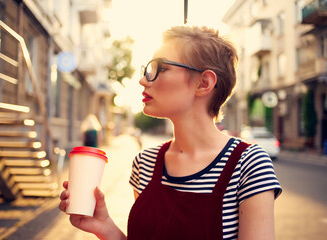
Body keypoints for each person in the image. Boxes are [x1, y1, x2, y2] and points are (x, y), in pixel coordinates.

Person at [59, 25, 282, 240]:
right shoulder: (144, 163)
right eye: (148, 69)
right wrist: (105, 226)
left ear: (203, 83)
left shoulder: (248, 164)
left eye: (161, 68)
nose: (143, 80)